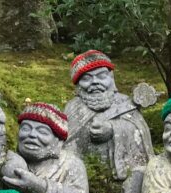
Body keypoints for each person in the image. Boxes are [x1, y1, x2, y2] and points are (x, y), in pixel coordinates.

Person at [1, 102, 92, 193]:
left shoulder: (71, 164)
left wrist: (40, 187)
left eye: (42, 132)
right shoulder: (10, 160)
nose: (32, 135)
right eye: (26, 128)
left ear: (58, 140)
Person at [65, 50, 154, 181]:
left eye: (101, 76)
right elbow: (64, 142)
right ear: (78, 85)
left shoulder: (124, 103)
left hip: (123, 177)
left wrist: (113, 129)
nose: (95, 82)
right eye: (86, 78)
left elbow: (140, 130)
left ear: (111, 78)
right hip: (81, 177)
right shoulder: (73, 107)